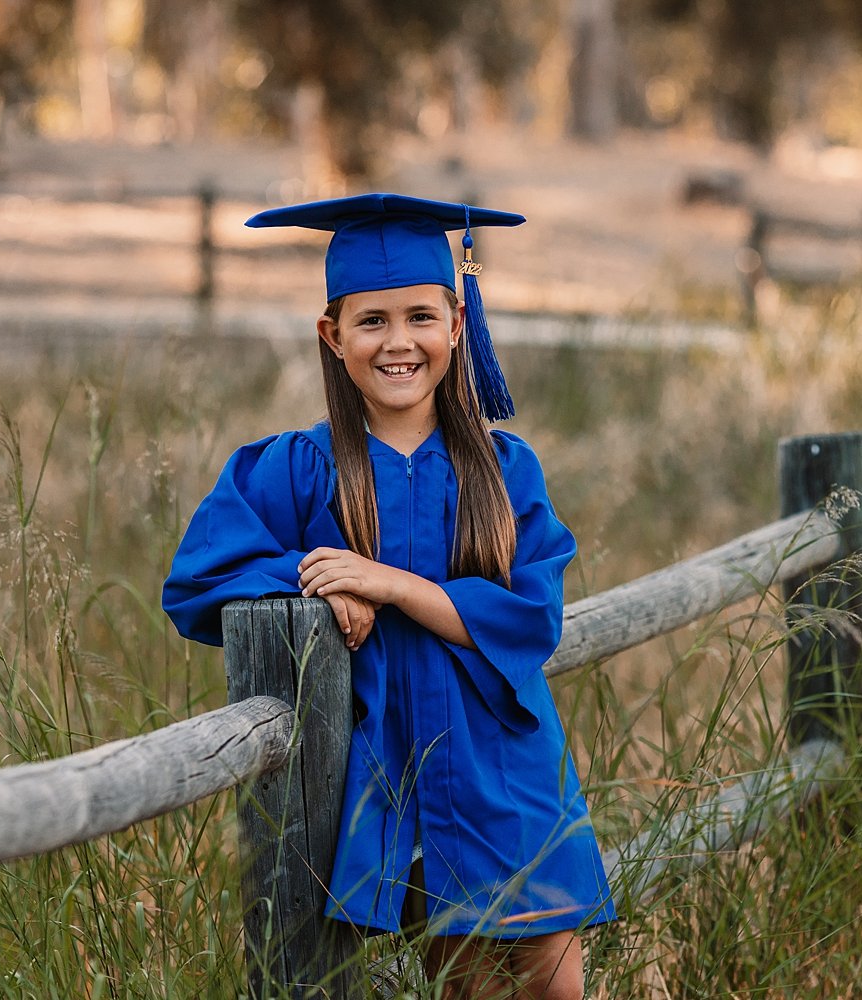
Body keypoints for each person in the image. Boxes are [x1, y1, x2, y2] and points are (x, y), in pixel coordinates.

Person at [163, 193, 615, 999]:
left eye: (419, 317)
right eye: (371, 322)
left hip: (505, 763)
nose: (398, 342)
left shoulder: (504, 471)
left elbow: (530, 615)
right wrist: (316, 581)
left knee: (558, 989)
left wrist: (393, 586)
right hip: (394, 768)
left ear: (456, 323)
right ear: (332, 338)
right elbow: (198, 576)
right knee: (467, 986)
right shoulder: (298, 468)